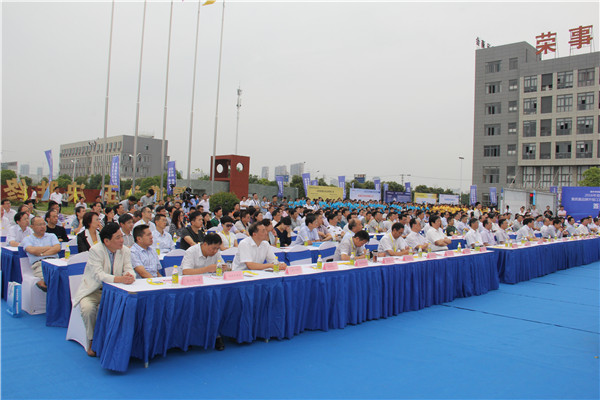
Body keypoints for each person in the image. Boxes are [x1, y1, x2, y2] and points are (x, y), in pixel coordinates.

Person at [73, 223, 135, 356]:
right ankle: (92, 340)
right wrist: (119, 279)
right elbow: (99, 275)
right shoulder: (95, 251)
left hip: (116, 291)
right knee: (88, 309)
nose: (122, 240)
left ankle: (121, 340)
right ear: (106, 241)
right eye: (118, 237)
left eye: (121, 236)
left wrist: (129, 276)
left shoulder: (125, 250)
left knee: (130, 304)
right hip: (94, 290)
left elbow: (129, 268)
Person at [21, 216, 61, 292]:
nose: (42, 227)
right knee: (49, 281)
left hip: (55, 262)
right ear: (32, 227)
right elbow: (32, 250)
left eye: (44, 224)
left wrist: (41, 254)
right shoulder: (28, 239)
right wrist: (49, 247)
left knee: (64, 277)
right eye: (39, 225)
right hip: (39, 264)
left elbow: (57, 248)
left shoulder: (52, 236)